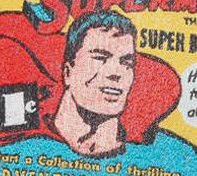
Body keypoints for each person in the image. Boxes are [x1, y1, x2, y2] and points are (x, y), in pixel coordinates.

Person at [51, 10, 137, 157]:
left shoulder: (164, 150)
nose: (116, 73)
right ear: (68, 72)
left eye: (126, 63)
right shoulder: (26, 141)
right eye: (100, 58)